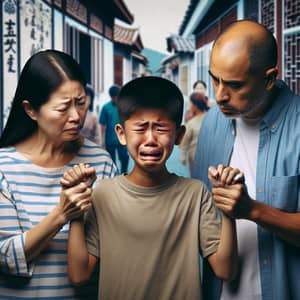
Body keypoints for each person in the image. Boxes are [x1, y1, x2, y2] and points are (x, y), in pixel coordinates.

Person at [65, 76, 242, 300]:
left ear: (178, 135)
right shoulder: (101, 194)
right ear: (121, 134)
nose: (150, 139)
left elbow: (225, 270)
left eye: (161, 128)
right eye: (140, 128)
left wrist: (229, 211)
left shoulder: (195, 194)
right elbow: (79, 275)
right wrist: (75, 213)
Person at [192, 20, 300, 300]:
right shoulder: (213, 122)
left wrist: (252, 209)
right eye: (214, 79)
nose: (219, 96)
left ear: (269, 78)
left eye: (234, 85)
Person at [0, 49, 117, 299]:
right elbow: (5, 257)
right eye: (63, 108)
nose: (76, 117)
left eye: (81, 103)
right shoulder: (4, 168)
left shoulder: (101, 162)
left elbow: (113, 247)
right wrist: (62, 213)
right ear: (31, 110)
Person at [99, 84, 129, 173]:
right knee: (111, 160)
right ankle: (114, 175)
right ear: (111, 97)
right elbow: (102, 125)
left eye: (117, 97)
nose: (115, 99)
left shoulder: (124, 107)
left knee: (124, 158)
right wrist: (102, 140)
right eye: (113, 97)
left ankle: (124, 173)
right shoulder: (106, 107)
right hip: (110, 139)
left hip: (122, 138)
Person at [180, 92, 209, 175]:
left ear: (195, 106)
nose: (189, 106)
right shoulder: (210, 118)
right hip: (208, 156)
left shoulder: (191, 123)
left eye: (190, 104)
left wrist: (183, 156)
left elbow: (185, 141)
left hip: (195, 158)